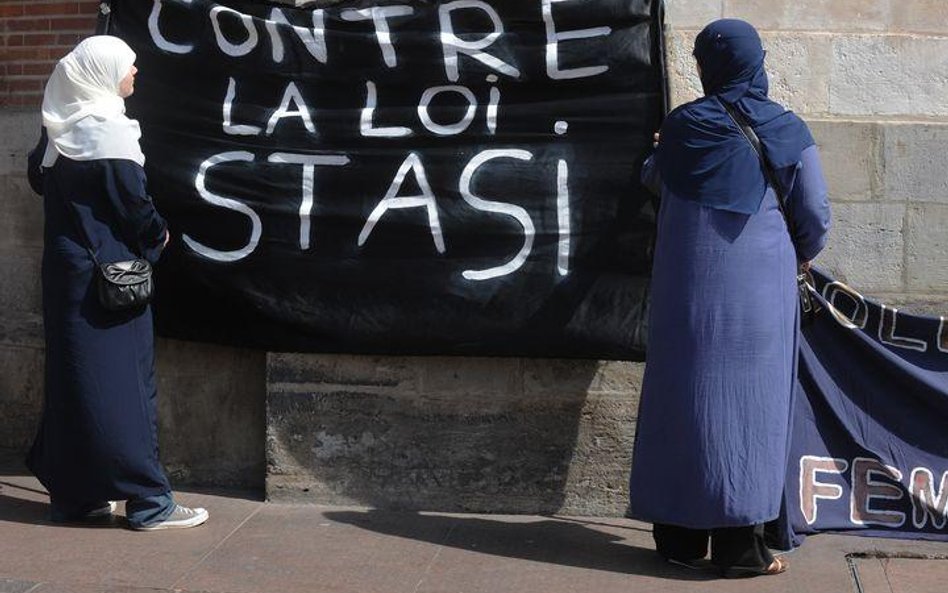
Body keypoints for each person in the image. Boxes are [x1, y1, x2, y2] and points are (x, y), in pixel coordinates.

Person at [628, 19, 831, 577]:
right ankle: (742, 548)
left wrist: (661, 150)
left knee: (683, 405)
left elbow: (653, 179)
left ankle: (678, 539)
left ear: (706, 67)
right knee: (748, 412)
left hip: (683, 295)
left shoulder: (681, 128)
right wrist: (804, 253)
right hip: (757, 298)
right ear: (757, 62)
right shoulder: (784, 128)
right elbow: (812, 213)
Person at [25, 36, 209, 531]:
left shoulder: (60, 129)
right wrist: (159, 236)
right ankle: (150, 502)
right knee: (125, 386)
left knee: (76, 383)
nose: (135, 74)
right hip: (110, 281)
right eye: (129, 66)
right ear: (103, 73)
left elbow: (39, 180)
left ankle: (76, 497)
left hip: (68, 277)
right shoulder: (110, 132)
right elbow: (134, 206)